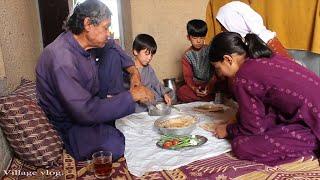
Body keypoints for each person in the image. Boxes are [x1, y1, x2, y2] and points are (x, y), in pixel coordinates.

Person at [36, 0, 154, 161]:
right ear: (88, 24)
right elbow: (84, 112)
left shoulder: (84, 43)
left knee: (111, 53)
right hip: (72, 122)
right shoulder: (61, 59)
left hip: (92, 101)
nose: (108, 33)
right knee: (116, 144)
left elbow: (113, 46)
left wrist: (133, 72)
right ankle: (106, 123)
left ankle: (110, 115)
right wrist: (131, 96)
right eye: (105, 27)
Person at [209, 31, 320, 166]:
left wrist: (228, 130)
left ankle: (313, 141)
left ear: (228, 59)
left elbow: (253, 129)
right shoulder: (262, 57)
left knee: (242, 146)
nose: (220, 74)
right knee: (267, 121)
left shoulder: (242, 77)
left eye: (218, 68)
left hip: (312, 121)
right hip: (307, 113)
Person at [216, 1, 291, 59]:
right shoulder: (250, 43)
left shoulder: (267, 44)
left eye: (224, 26)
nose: (222, 31)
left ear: (235, 24)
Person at [176, 19, 217, 103]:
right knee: (181, 91)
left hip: (212, 83)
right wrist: (195, 89)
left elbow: (217, 71)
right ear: (188, 38)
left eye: (201, 38)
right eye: (194, 38)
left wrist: (210, 86)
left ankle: (209, 96)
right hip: (197, 86)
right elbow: (188, 77)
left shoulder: (210, 50)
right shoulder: (187, 56)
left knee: (224, 86)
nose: (198, 41)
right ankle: (208, 98)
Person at [131, 34, 172, 112]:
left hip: (150, 95)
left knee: (169, 93)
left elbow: (156, 83)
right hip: (138, 99)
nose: (149, 58)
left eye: (151, 55)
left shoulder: (149, 69)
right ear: (135, 51)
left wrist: (165, 94)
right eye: (146, 54)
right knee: (137, 106)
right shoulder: (129, 68)